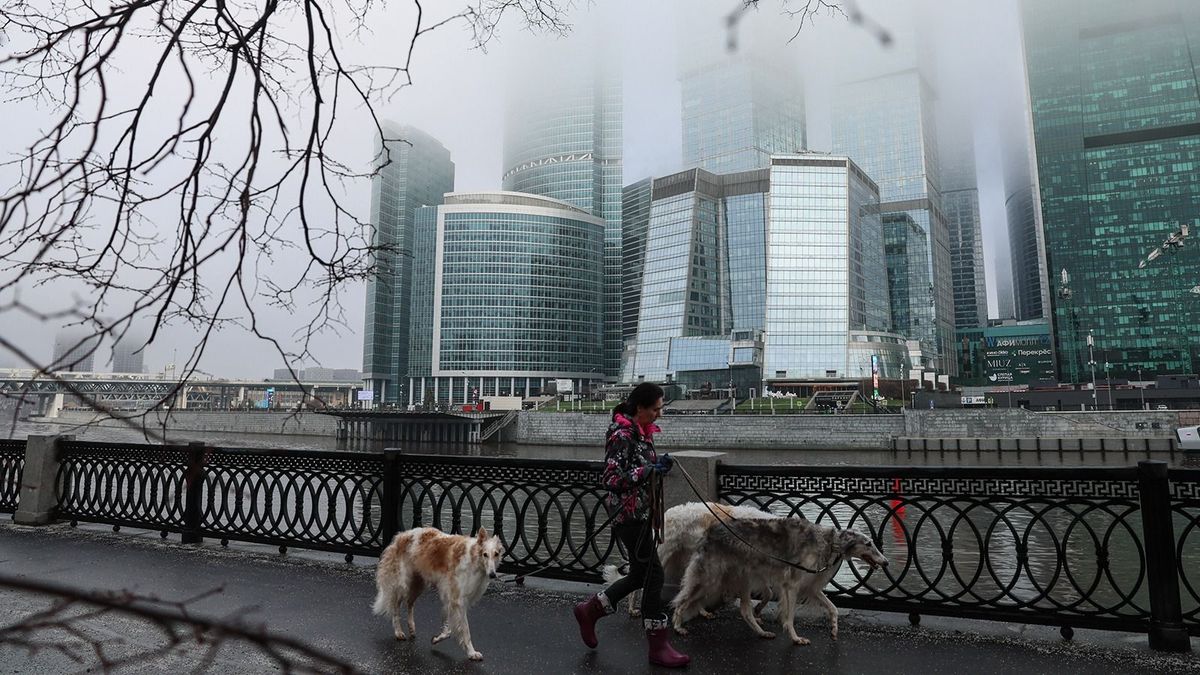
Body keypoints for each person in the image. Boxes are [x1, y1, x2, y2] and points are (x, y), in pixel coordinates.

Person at [572, 382, 689, 668]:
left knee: (640, 574)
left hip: (639, 514)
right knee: (655, 576)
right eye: (656, 409)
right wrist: (647, 469)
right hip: (627, 516)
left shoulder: (639, 432)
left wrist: (655, 464)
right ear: (640, 408)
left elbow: (635, 469)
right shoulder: (622, 434)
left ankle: (591, 610)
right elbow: (611, 478)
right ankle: (657, 646)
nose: (659, 414)